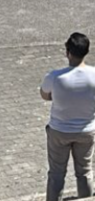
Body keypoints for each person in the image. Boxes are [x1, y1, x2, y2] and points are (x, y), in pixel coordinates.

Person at [41, 31, 95, 201]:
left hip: (59, 131)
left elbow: (44, 95)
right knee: (84, 172)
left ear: (68, 52)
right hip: (86, 131)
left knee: (56, 173)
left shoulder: (55, 77)